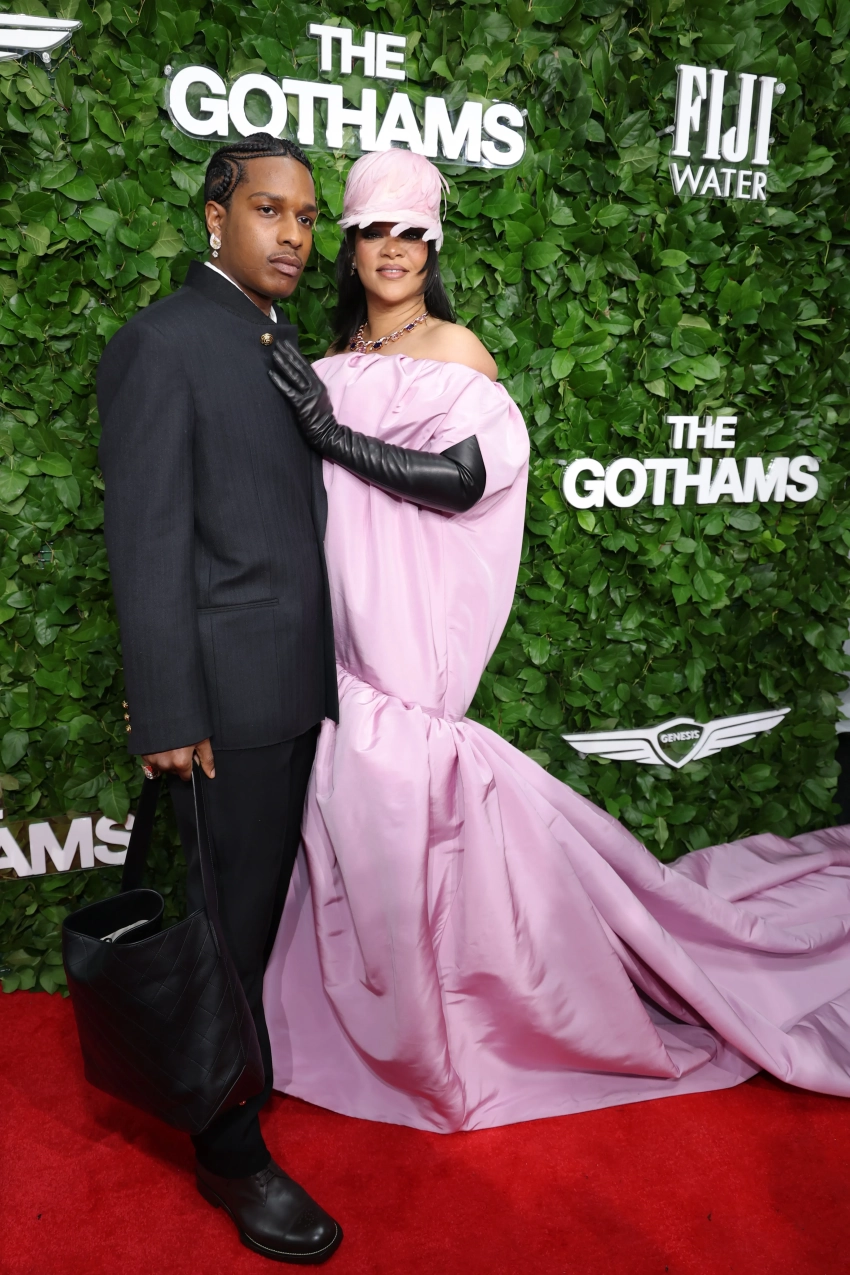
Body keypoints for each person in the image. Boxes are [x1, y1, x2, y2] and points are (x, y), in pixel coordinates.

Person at [263, 147, 850, 1134]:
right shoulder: (329, 359)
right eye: (372, 230)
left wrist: (328, 434)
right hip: (338, 649)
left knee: (404, 817)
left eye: (411, 232)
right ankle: (350, 1019)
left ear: (433, 245)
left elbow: (460, 482)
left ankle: (450, 1028)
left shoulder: (457, 352)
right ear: (349, 244)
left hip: (405, 654)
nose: (392, 249)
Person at [97, 134, 343, 1263]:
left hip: (287, 688)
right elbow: (147, 538)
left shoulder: (271, 336)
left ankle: (235, 1079)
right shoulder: (161, 342)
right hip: (220, 710)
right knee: (224, 932)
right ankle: (230, 1151)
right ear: (215, 217)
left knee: (248, 921)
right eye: (269, 210)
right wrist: (167, 709)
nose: (293, 235)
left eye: (307, 217)